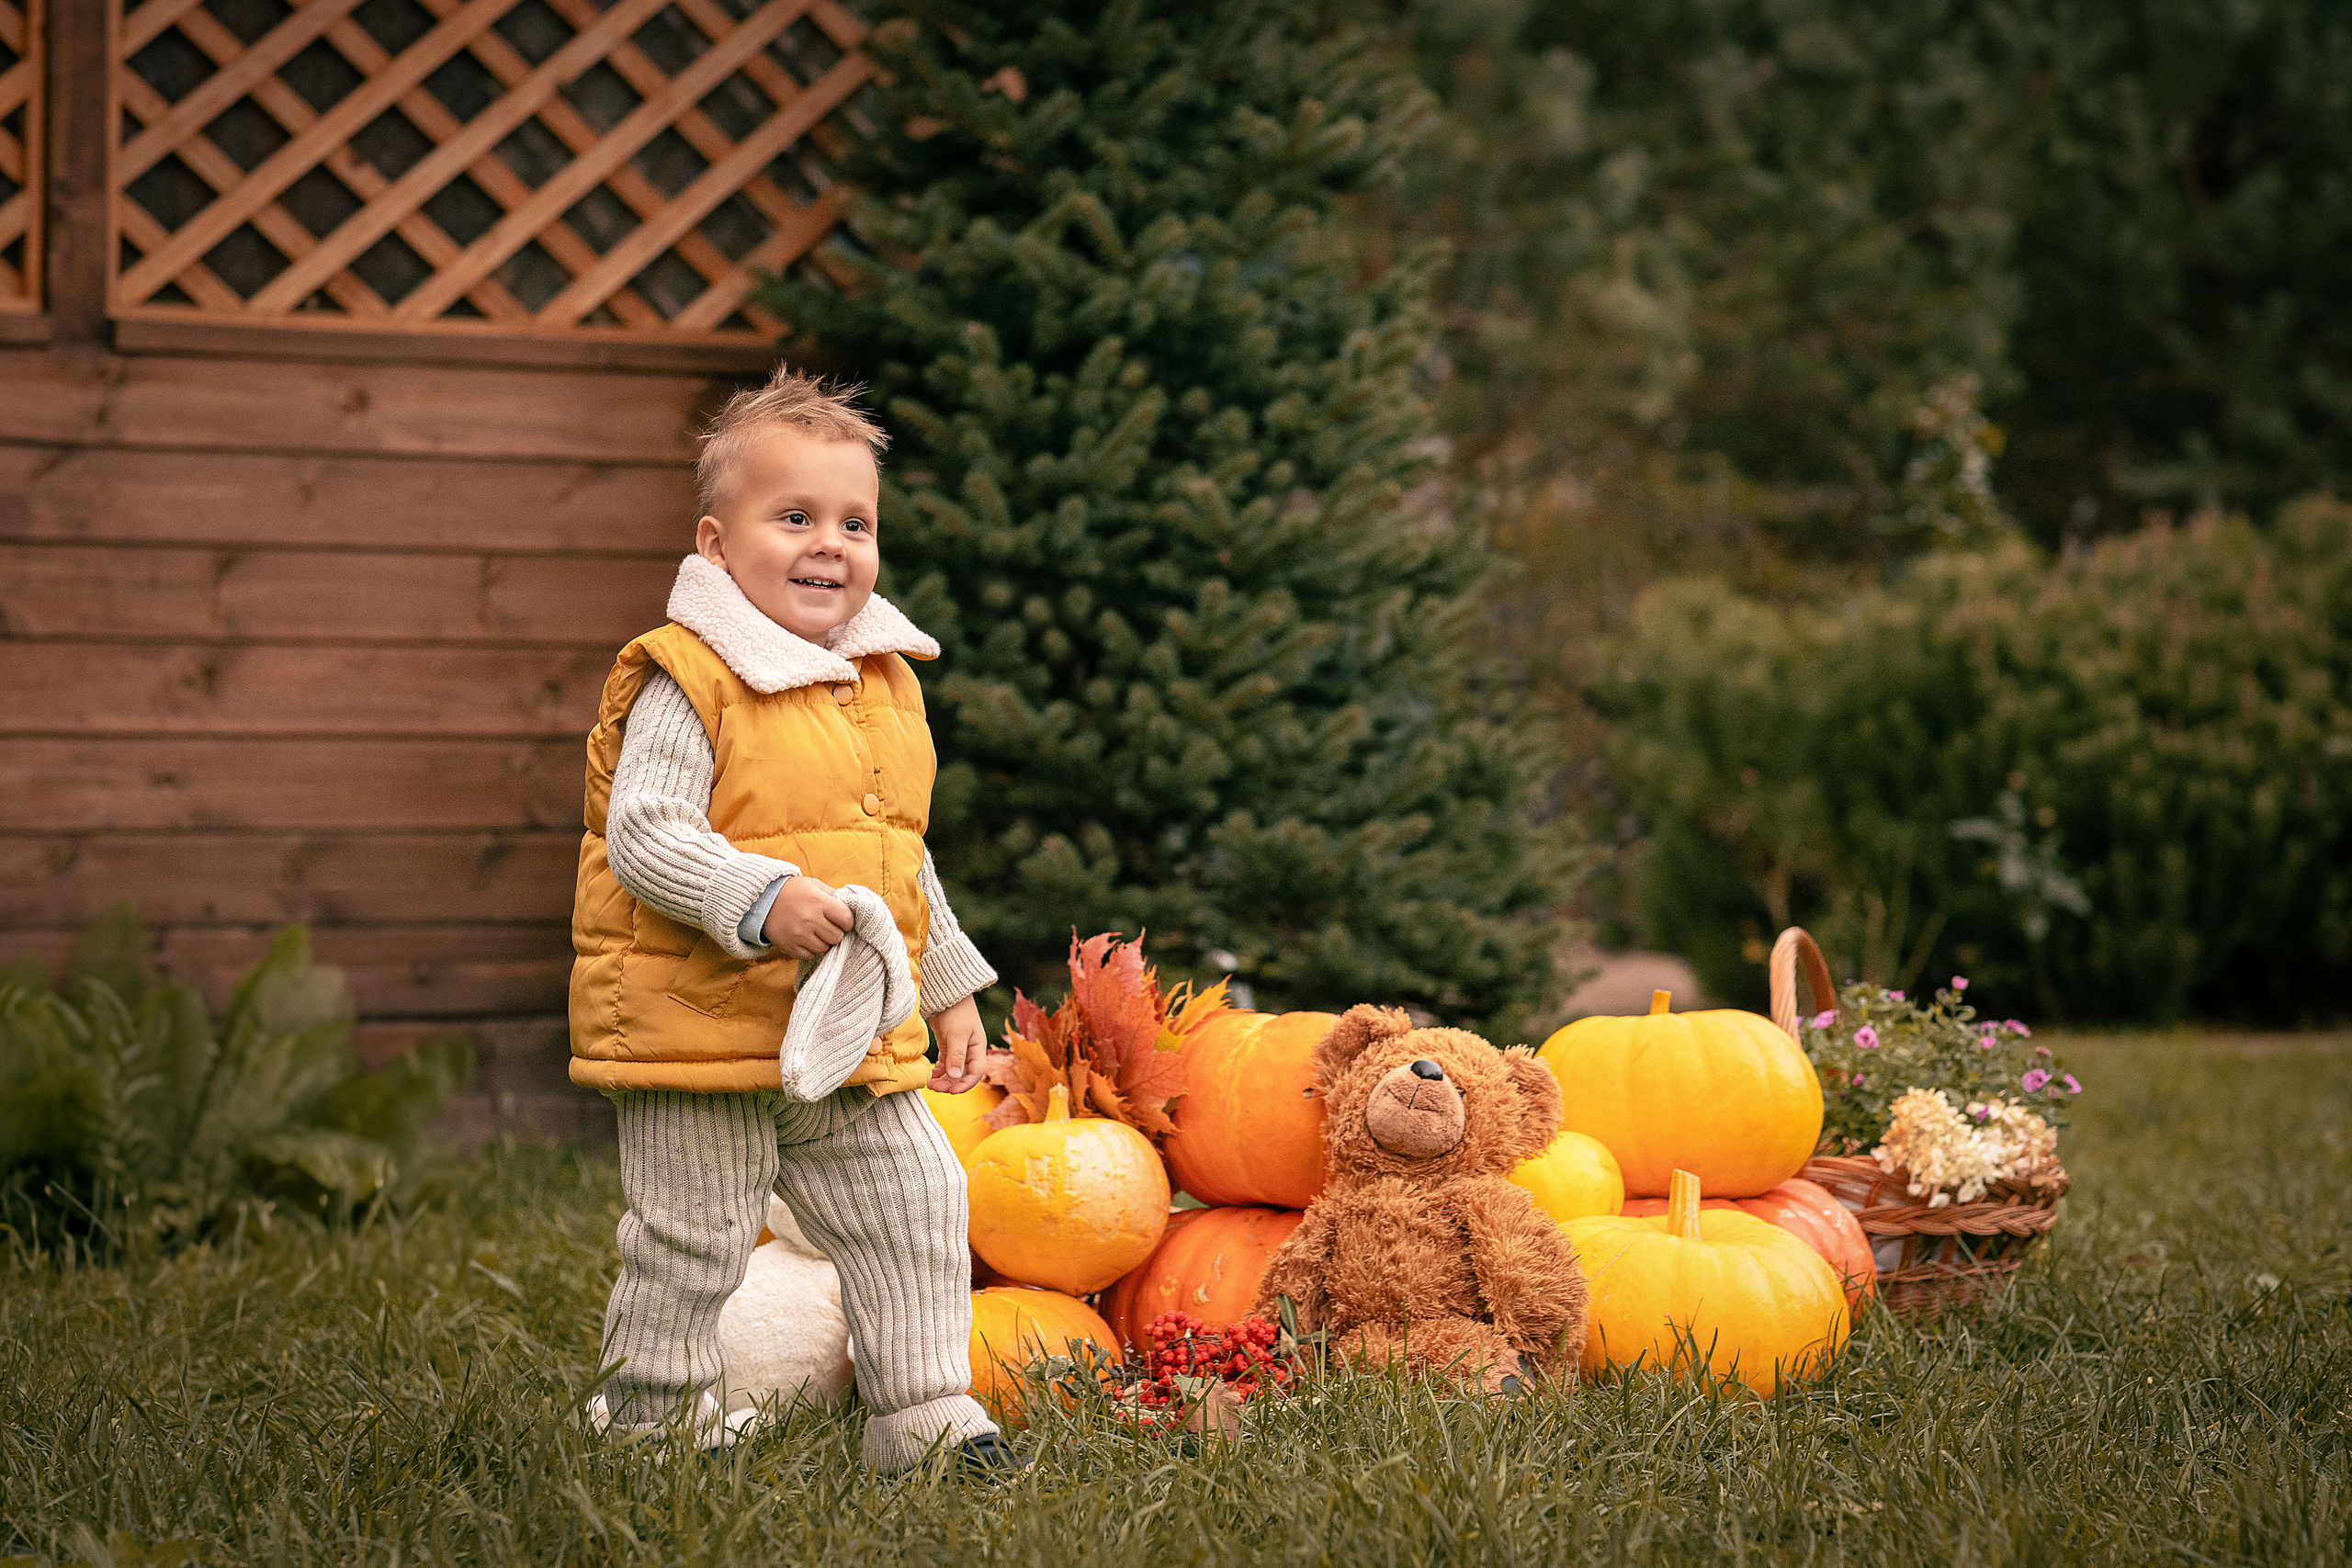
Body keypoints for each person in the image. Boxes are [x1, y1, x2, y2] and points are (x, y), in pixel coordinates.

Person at [569, 367, 1016, 1474]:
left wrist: (947, 979)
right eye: (796, 517)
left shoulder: (877, 682)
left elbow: (894, 855)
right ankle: (650, 1424)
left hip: (845, 1026)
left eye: (854, 522)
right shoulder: (690, 679)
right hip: (702, 1026)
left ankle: (919, 1411)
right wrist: (758, 900)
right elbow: (649, 833)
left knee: (918, 1195)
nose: (831, 543)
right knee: (694, 1241)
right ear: (718, 546)